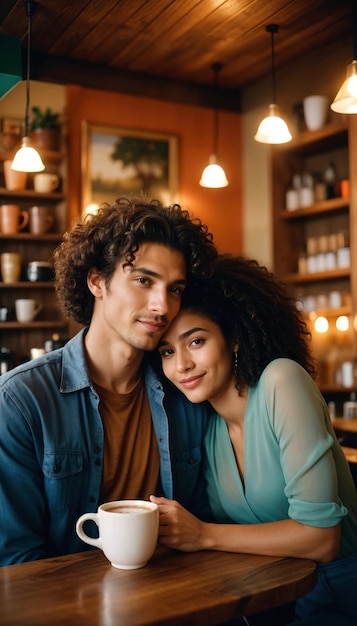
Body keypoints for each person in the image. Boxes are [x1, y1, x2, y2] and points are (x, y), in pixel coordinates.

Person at [0, 196, 218, 566]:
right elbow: (16, 559)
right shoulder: (22, 400)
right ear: (97, 281)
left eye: (174, 289)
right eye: (143, 280)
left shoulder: (185, 391)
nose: (162, 306)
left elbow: (206, 522)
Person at [151, 254, 357, 625]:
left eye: (195, 341)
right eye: (167, 351)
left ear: (233, 339)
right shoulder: (208, 426)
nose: (180, 365)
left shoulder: (281, 382)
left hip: (345, 591)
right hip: (287, 596)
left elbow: (322, 539)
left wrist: (204, 535)